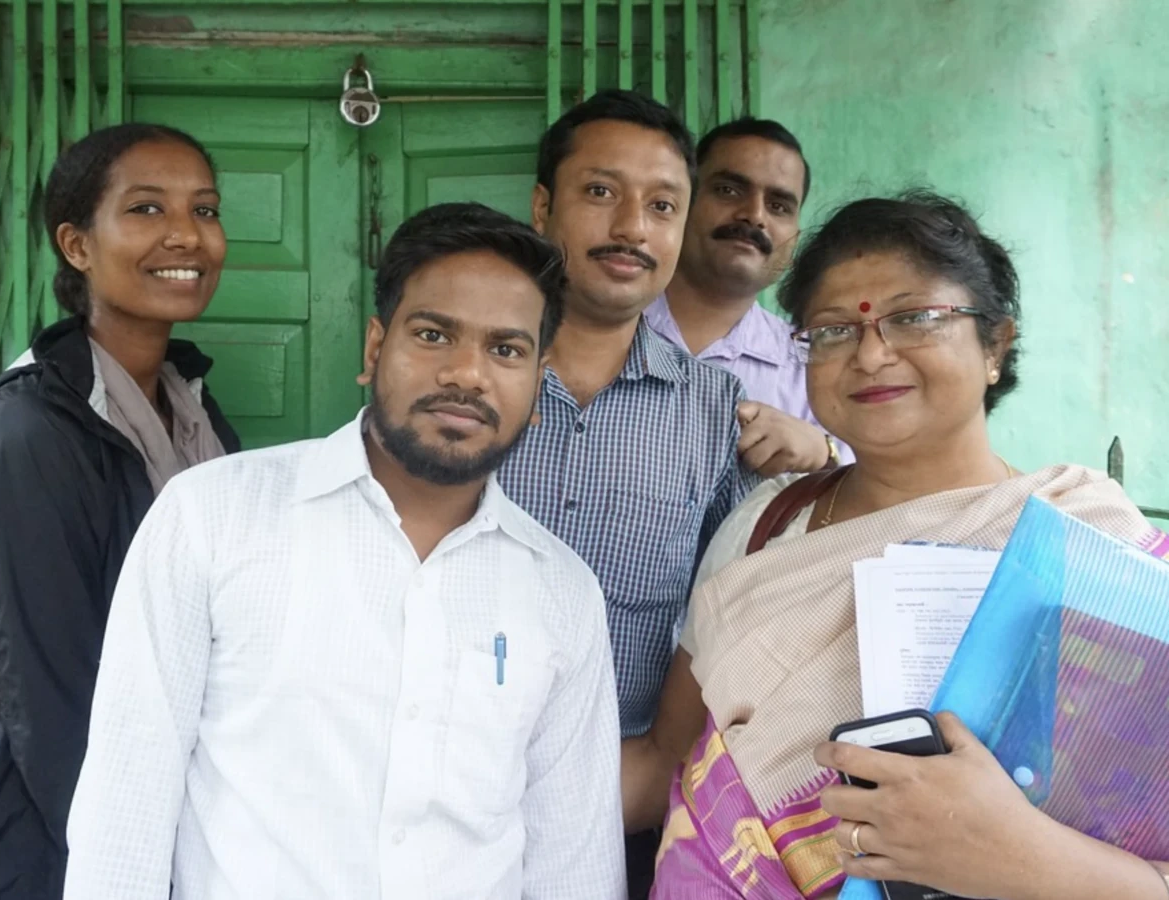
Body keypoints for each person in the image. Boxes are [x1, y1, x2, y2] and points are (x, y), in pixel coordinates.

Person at [62, 202, 626, 900]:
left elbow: (573, 861)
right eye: (433, 334)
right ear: (373, 350)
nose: (467, 374)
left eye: (505, 349)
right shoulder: (212, 518)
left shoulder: (562, 594)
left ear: (539, 386)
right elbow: (126, 803)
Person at [625, 191, 1169, 899]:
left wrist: (1021, 855)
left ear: (995, 346)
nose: (871, 353)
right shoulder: (764, 528)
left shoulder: (1093, 545)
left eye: (914, 318)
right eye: (832, 331)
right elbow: (671, 757)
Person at [496, 89, 758, 897]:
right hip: (441, 792)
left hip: (626, 812)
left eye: (662, 205)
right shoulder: (460, 389)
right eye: (601, 192)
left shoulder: (717, 417)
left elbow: (724, 621)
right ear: (544, 207)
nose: (632, 228)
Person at [0, 123, 239, 899]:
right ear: (76, 245)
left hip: (169, 819)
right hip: (49, 848)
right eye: (147, 210)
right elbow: (43, 689)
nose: (187, 235)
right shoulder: (29, 431)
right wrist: (121, 869)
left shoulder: (197, 414)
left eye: (206, 209)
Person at [644, 117, 849, 475]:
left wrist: (824, 453)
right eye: (728, 190)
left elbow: (882, 484)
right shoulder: (605, 326)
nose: (754, 215)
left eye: (779, 206)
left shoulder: (814, 365)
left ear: (795, 237)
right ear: (683, 201)